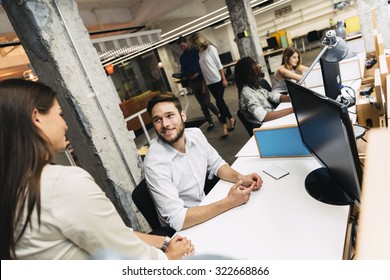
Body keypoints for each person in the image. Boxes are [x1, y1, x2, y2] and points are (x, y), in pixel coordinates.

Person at [0, 79, 194, 260]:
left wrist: (164, 241)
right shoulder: (64, 184)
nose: (65, 124)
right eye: (59, 114)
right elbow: (129, 259)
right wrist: (168, 257)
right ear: (37, 118)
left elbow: (109, 232)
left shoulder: (14, 186)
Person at [144, 92, 262, 232]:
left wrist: (241, 178)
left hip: (206, 205)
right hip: (185, 230)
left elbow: (217, 164)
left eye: (170, 115)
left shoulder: (195, 134)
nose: (165, 124)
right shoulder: (154, 163)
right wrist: (229, 202)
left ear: (183, 116)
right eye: (157, 120)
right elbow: (178, 219)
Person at [188, 33, 236, 139]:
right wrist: (204, 84)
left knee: (219, 102)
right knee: (221, 102)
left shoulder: (211, 49)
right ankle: (231, 118)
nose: (192, 46)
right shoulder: (200, 53)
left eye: (193, 43)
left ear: (198, 41)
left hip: (218, 80)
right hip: (209, 82)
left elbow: (219, 65)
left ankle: (224, 125)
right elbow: (204, 70)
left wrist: (224, 78)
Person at [234, 57, 293, 127]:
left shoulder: (253, 86)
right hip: (266, 128)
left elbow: (272, 96)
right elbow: (264, 116)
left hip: (272, 121)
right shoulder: (247, 93)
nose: (260, 66)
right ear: (248, 71)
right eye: (255, 64)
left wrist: (292, 98)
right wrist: (292, 110)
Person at [176, 36, 219, 131]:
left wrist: (198, 74)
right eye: (181, 47)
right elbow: (184, 70)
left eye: (183, 46)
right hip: (192, 82)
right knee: (202, 106)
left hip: (202, 79)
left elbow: (204, 65)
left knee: (207, 102)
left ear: (187, 42)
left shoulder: (196, 52)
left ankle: (219, 115)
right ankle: (210, 123)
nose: (183, 48)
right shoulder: (182, 58)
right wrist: (185, 76)